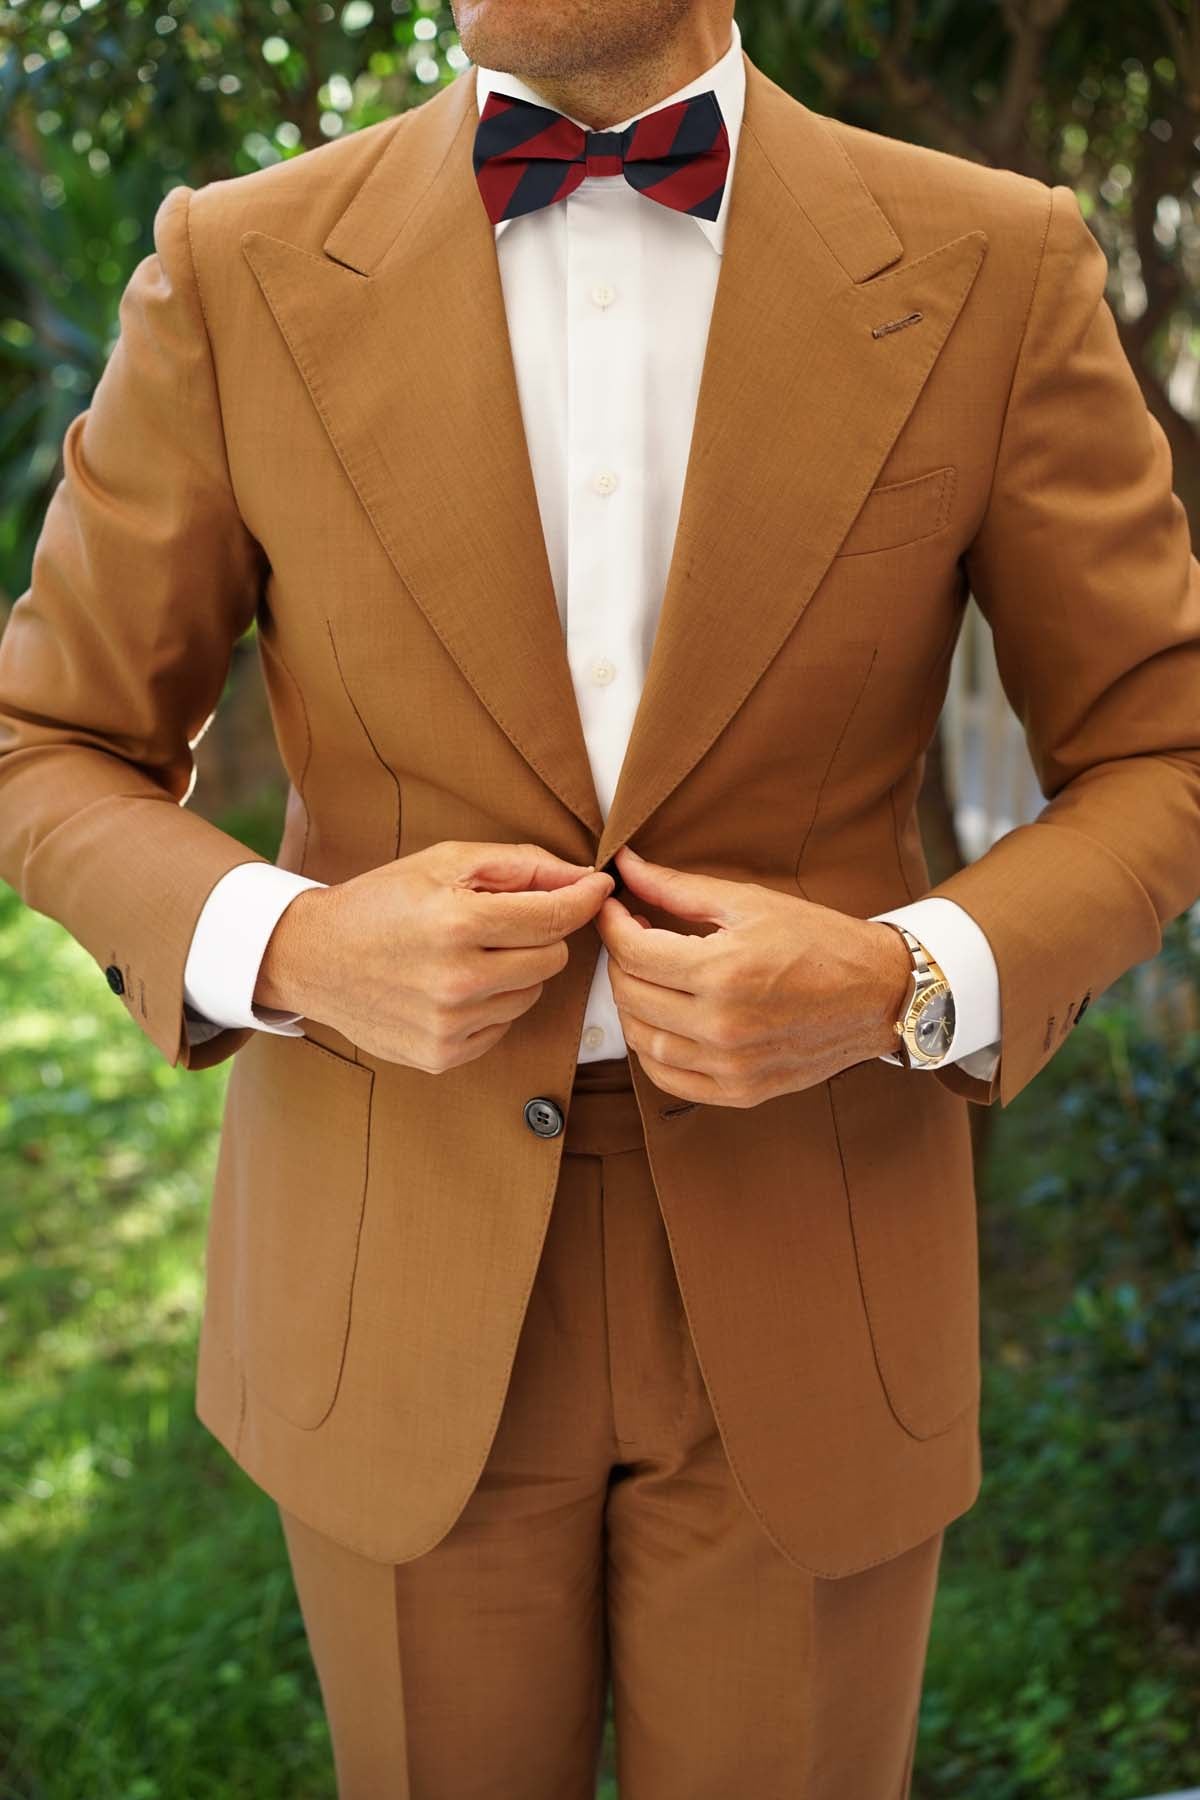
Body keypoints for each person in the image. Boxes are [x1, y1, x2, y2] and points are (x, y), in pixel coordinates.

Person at [1, 1, 1198, 1793]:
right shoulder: (234, 266)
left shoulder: (994, 261)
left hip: (821, 1260)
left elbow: (1162, 751)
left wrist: (903, 976)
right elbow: (47, 742)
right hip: (384, 1277)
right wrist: (296, 946)